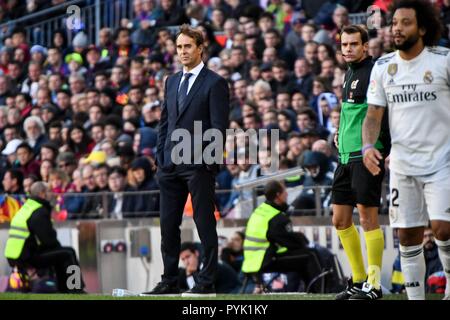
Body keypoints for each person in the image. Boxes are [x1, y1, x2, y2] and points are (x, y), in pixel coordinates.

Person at [363, 0, 450, 300]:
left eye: (405, 22)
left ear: (423, 28)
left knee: (443, 228)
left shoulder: (443, 61)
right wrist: (367, 147)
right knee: (408, 236)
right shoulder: (384, 66)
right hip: (402, 164)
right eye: (394, 23)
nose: (397, 28)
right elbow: (373, 114)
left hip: (443, 160)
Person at [142, 25, 229, 297]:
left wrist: (208, 164)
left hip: (198, 166)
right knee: (168, 226)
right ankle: (169, 280)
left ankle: (206, 283)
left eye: (187, 46)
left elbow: (218, 127)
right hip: (169, 167)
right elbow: (165, 123)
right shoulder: (170, 81)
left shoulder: (215, 82)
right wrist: (160, 159)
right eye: (179, 47)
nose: (182, 52)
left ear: (200, 48)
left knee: (205, 224)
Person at [331, 25, 390, 300]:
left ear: (365, 46)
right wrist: (338, 134)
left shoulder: (374, 72)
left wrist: (383, 146)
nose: (348, 49)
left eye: (354, 44)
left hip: (366, 155)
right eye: (345, 44)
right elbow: (351, 114)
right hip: (345, 156)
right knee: (340, 220)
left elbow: (380, 112)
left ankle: (375, 285)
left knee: (367, 218)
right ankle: (357, 279)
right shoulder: (350, 72)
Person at [242, 181, 322, 293]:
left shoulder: (259, 210)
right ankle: (319, 292)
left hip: (251, 261)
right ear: (278, 195)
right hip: (264, 260)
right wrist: (301, 238)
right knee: (311, 254)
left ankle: (311, 291)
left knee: (303, 256)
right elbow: (291, 244)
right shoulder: (276, 217)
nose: (287, 194)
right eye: (285, 191)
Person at [4, 182, 85, 293]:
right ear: (42, 194)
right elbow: (48, 240)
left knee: (60, 254)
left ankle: (64, 289)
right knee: (68, 253)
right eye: (49, 192)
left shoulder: (27, 207)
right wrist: (57, 247)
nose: (51, 194)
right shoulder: (39, 211)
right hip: (27, 257)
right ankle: (75, 289)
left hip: (15, 255)